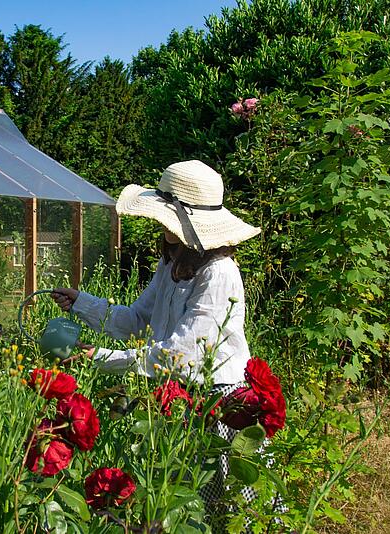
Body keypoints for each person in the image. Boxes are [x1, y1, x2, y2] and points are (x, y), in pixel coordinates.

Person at [51, 159, 262, 512]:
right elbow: (137, 320)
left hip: (221, 405)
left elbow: (181, 355)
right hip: (183, 395)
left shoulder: (218, 272)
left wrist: (100, 358)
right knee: (190, 503)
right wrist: (81, 304)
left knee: (232, 506)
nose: (160, 224)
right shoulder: (174, 262)